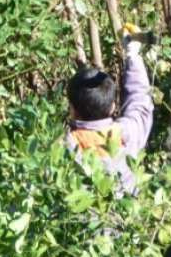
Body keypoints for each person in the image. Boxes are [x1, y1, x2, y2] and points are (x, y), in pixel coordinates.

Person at [63, 29, 154, 196]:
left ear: (73, 111)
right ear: (113, 107)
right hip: (126, 219)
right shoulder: (127, 133)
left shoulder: (66, 146)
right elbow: (139, 103)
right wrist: (132, 54)